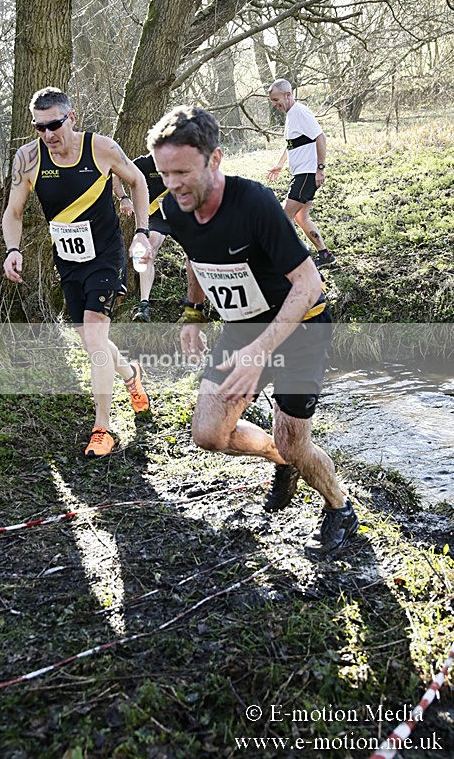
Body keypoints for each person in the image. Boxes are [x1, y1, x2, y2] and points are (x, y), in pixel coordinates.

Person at [143, 105, 359, 558]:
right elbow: (194, 253)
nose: (174, 183)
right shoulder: (176, 205)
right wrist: (193, 312)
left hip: (299, 327)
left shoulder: (255, 203)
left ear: (215, 159)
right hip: (243, 330)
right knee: (208, 433)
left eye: (183, 171)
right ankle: (283, 461)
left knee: (294, 438)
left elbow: (309, 283)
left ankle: (339, 506)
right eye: (165, 174)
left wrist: (262, 349)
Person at [2, 87, 151, 457]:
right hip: (68, 259)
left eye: (54, 124)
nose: (48, 134)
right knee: (92, 341)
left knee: (95, 334)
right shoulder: (29, 158)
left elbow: (138, 181)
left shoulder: (100, 148)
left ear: (71, 117)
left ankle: (103, 427)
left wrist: (143, 233)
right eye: (40, 127)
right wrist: (12, 250)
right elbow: (14, 211)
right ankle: (131, 375)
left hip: (105, 253)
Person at [114, 154, 206, 324]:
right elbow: (116, 174)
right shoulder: (143, 163)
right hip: (156, 217)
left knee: (195, 254)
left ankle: (195, 306)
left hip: (183, 215)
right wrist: (123, 197)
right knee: (148, 247)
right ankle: (144, 305)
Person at [267, 79, 336, 270]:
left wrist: (320, 168)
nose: (275, 105)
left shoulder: (300, 112)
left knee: (284, 217)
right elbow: (292, 144)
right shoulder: (291, 115)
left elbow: (320, 138)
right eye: (272, 101)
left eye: (276, 100)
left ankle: (297, 258)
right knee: (301, 217)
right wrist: (280, 165)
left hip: (307, 174)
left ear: (288, 95)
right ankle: (325, 254)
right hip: (301, 174)